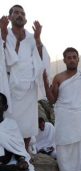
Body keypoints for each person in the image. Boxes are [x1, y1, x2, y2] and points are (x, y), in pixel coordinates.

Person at [0, 5, 50, 150]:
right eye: (16, 12)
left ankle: (25, 155)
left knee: (27, 124)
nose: (20, 15)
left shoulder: (31, 37)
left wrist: (38, 39)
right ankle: (9, 154)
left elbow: (42, 60)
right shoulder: (4, 33)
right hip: (8, 85)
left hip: (29, 87)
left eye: (22, 13)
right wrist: (3, 36)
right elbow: (4, 59)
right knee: (9, 121)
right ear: (9, 17)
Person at [0, 92, 59, 171]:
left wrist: (21, 160)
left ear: (5, 107)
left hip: (12, 165)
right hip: (3, 170)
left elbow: (17, 150)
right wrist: (8, 169)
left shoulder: (10, 125)